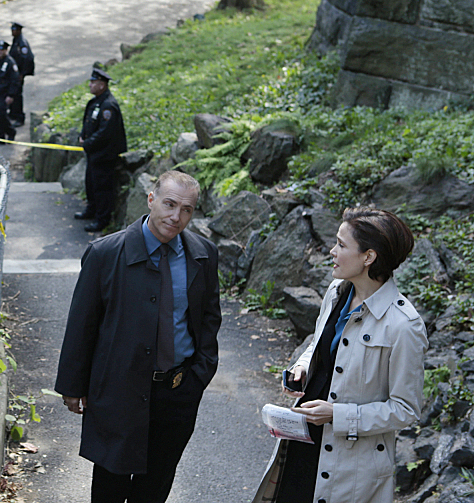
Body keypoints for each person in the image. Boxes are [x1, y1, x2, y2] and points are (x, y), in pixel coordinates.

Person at [55, 170, 222, 503]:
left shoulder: (203, 255)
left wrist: (198, 376)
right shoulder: (105, 254)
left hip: (176, 393)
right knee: (110, 486)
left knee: (155, 486)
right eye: (169, 204)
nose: (176, 217)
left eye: (186, 209)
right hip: (117, 391)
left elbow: (208, 319)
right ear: (151, 199)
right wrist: (73, 386)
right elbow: (82, 324)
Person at [252, 207, 428, 503]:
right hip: (302, 441)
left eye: (341, 245)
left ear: (368, 257)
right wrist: (303, 366)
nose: (332, 251)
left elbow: (405, 410)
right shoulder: (337, 291)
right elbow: (318, 343)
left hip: (351, 469)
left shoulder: (404, 325)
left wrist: (339, 415)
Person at [74, 68, 127, 233]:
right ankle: (91, 209)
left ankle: (102, 219)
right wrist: (83, 136)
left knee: (102, 187)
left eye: (93, 82)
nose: (90, 85)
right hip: (94, 153)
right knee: (91, 183)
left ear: (102, 85)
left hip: (104, 155)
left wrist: (88, 142)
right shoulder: (95, 102)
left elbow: (105, 132)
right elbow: (88, 122)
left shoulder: (108, 105)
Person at [8, 22, 34, 127]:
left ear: (19, 31)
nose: (12, 32)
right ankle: (13, 113)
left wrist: (22, 73)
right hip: (14, 73)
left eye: (14, 30)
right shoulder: (16, 40)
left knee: (17, 95)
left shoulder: (22, 43)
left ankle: (20, 117)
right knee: (13, 93)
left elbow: (27, 59)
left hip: (18, 74)